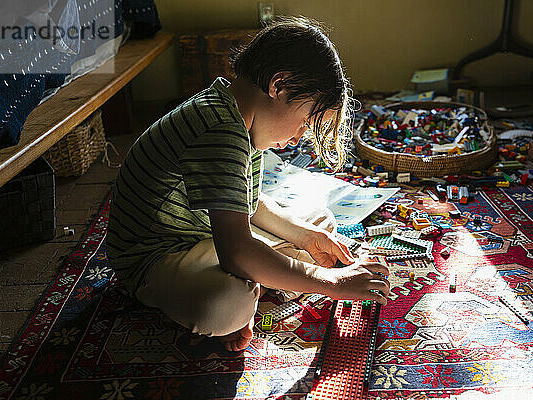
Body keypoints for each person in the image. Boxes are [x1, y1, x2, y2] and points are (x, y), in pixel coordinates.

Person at [105, 17, 390, 352]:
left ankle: (267, 273)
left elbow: (248, 203)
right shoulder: (219, 130)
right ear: (279, 86)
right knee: (227, 305)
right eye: (303, 122)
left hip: (205, 235)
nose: (299, 136)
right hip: (157, 257)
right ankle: (259, 280)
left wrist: (304, 235)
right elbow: (236, 249)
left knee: (317, 223)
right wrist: (333, 282)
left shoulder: (236, 111)